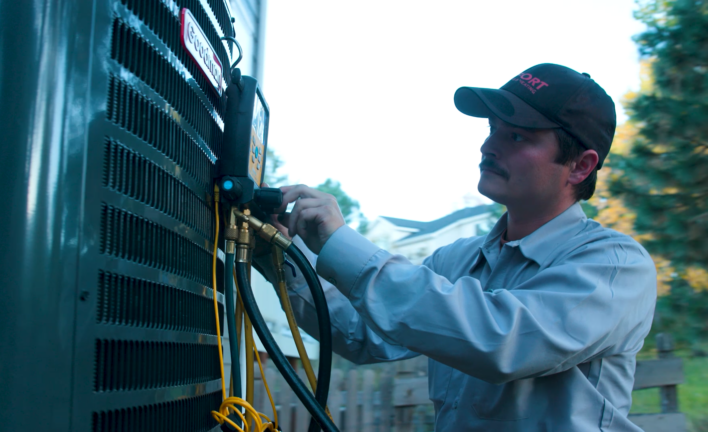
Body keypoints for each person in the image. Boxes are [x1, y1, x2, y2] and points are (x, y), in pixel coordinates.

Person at [255, 63, 657, 431]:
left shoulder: (615, 266)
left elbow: (501, 341)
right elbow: (364, 332)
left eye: (517, 135)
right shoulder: (456, 260)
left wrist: (341, 243)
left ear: (581, 166)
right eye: (492, 129)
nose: (489, 146)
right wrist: (277, 253)